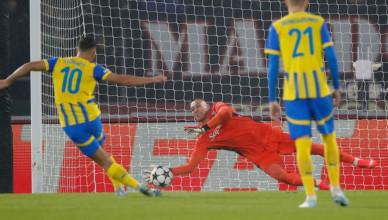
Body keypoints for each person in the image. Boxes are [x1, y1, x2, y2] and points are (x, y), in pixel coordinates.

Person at [0, 37, 166, 197]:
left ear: (76, 50)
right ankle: (119, 188)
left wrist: (8, 81)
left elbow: (28, 66)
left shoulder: (58, 62)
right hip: (93, 120)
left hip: (75, 127)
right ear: (93, 54)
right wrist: (152, 79)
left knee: (105, 162)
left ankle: (141, 187)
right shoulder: (94, 68)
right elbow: (122, 80)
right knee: (105, 155)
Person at [143, 99, 376, 191]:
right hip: (257, 154)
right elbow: (192, 166)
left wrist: (205, 126)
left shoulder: (216, 109)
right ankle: (319, 185)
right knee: (282, 176)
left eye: (198, 106)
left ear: (206, 105)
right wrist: (167, 172)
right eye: (192, 109)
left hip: (269, 136)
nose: (196, 110)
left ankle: (357, 161)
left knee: (310, 147)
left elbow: (225, 114)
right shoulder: (203, 140)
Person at [265, 0, 348, 208]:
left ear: (286, 2)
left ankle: (311, 197)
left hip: (294, 94)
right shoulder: (317, 22)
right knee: (329, 139)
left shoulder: (277, 27)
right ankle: (336, 188)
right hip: (319, 90)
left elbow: (273, 65)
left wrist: (272, 99)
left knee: (302, 144)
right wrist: (336, 87)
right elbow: (331, 56)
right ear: (307, 2)